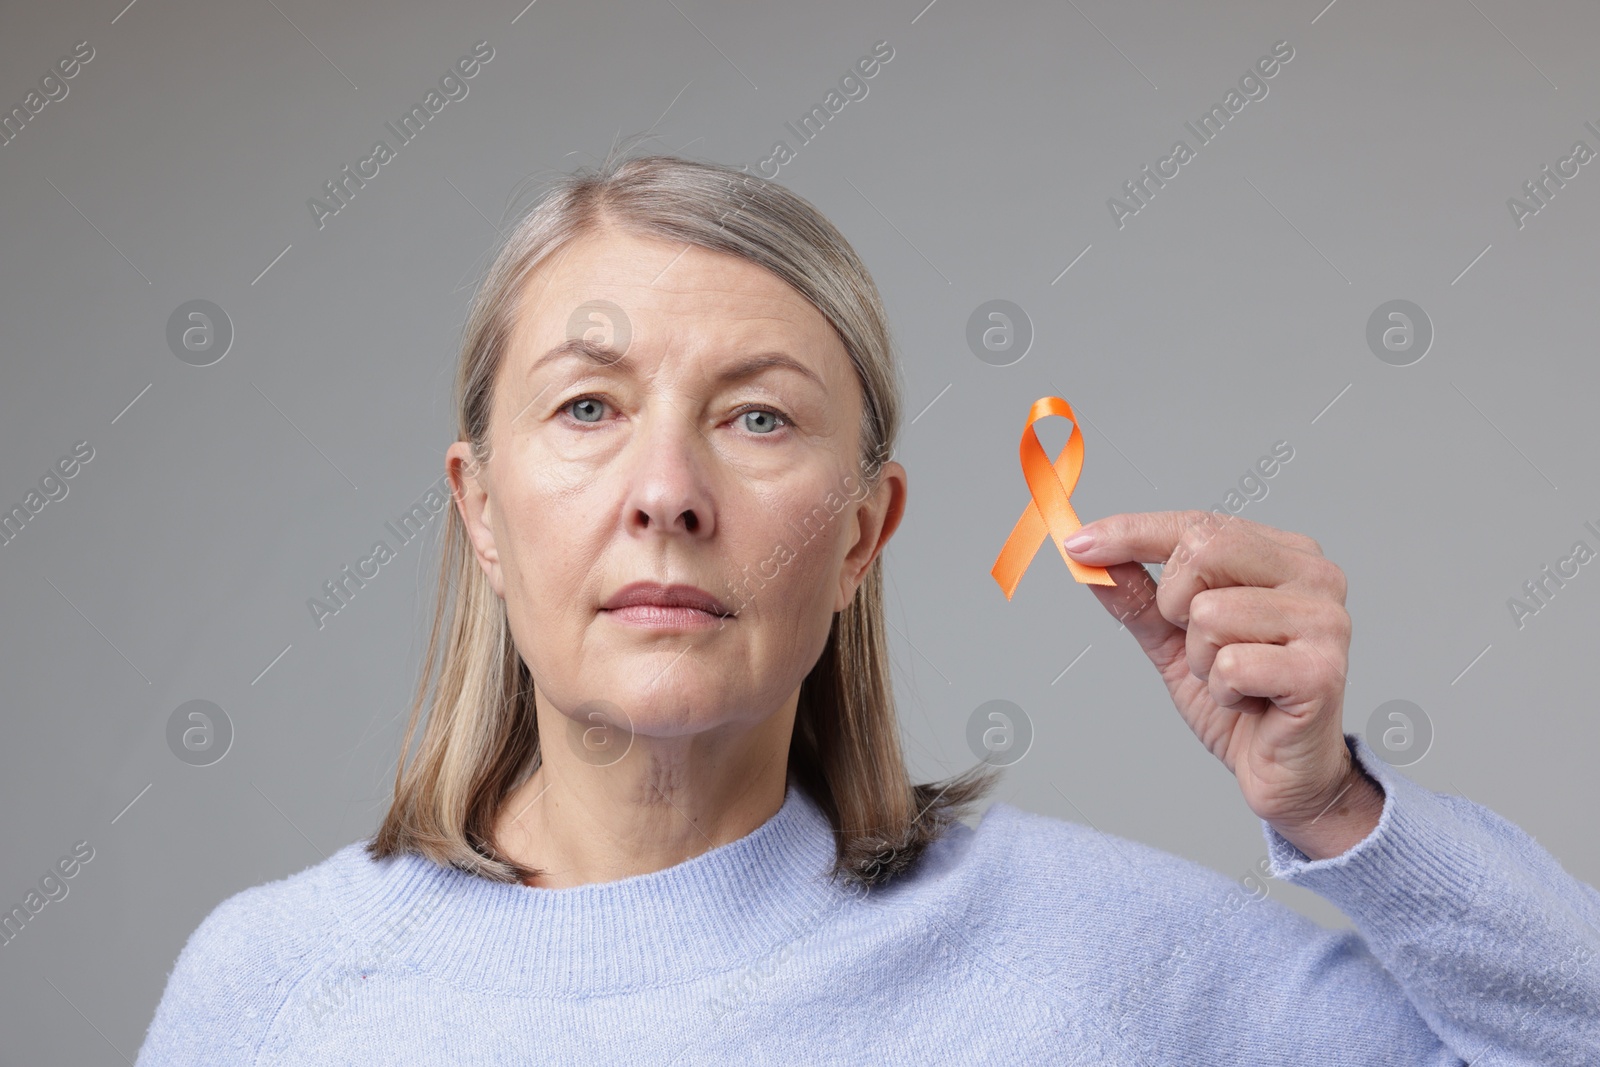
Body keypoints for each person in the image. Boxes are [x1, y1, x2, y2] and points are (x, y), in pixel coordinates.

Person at [134, 144, 1600, 1066]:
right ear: (480, 509)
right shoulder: (275, 992)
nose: (667, 490)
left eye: (759, 420)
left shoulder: (1094, 963)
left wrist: (1334, 806)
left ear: (862, 536)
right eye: (587, 405)